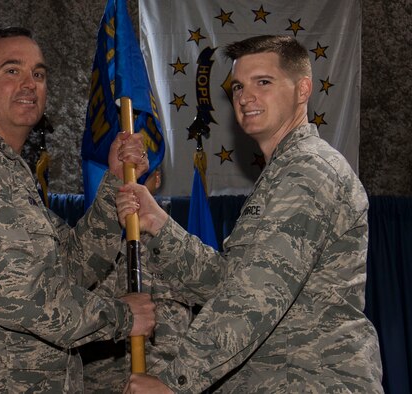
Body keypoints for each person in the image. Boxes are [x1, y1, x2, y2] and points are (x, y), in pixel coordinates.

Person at [116, 35, 383, 393]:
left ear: (302, 89)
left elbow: (255, 295)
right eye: (238, 86)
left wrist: (174, 383)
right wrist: (159, 224)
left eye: (264, 82)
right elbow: (226, 282)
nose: (245, 97)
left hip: (308, 380)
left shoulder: (309, 170)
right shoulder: (282, 173)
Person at [0, 27, 156, 393]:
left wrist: (113, 184)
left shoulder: (6, 171)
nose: (30, 83)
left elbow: (70, 269)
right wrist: (121, 316)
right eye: (11, 70)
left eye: (38, 73)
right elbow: (14, 293)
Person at [81, 168, 194, 393]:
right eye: (126, 177)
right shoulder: (89, 252)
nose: (132, 186)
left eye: (141, 175)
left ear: (158, 178)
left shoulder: (183, 254)